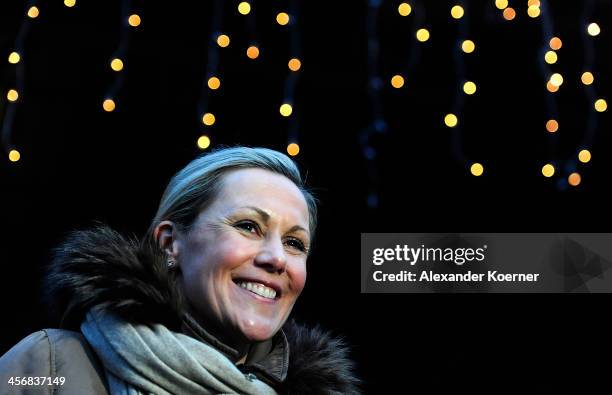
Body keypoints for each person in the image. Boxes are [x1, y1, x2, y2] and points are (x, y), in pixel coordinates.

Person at [0, 146, 360, 394]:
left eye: (295, 243)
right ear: (170, 243)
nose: (277, 258)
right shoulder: (50, 362)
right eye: (249, 226)